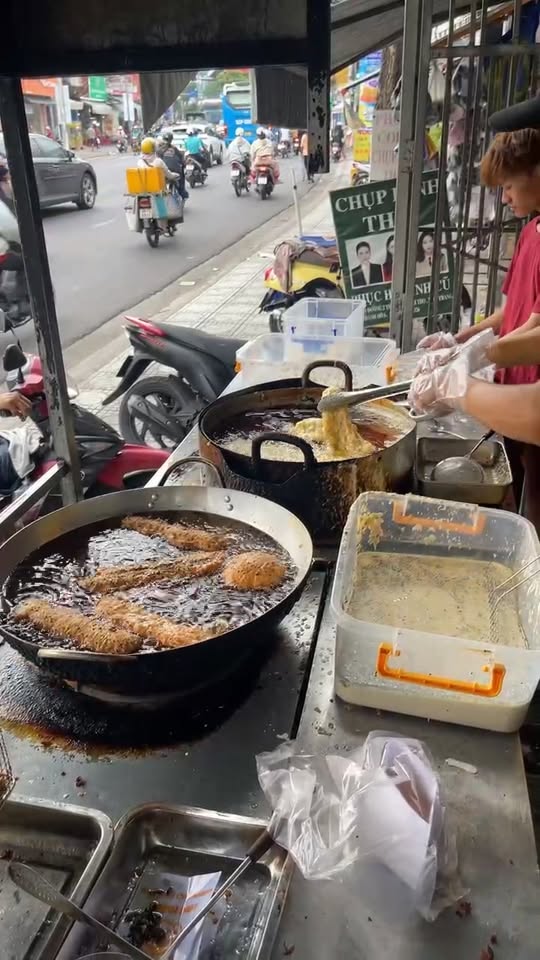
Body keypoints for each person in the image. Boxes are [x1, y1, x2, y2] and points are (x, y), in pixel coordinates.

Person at [409, 95, 540, 529]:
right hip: (512, 397)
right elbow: (517, 312)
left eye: (509, 184)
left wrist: (462, 375)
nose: (503, 198)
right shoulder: (531, 232)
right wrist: (463, 343)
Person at [157, 130, 189, 200]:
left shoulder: (158, 149)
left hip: (163, 172)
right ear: (171, 140)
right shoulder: (174, 148)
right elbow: (181, 158)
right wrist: (184, 164)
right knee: (181, 176)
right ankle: (182, 193)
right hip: (174, 170)